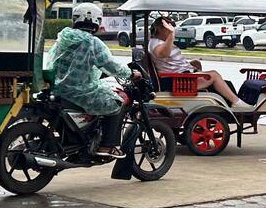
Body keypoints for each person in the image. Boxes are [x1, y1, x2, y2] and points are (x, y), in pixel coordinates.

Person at [49, 17, 133, 154]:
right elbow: (110, 65)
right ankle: (106, 146)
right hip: (78, 91)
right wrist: (130, 74)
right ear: (95, 22)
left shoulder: (63, 38)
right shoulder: (92, 42)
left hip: (58, 89)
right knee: (117, 102)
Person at [148, 17, 240, 105]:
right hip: (177, 81)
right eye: (169, 26)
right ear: (160, 29)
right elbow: (163, 53)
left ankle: (230, 99)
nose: (172, 28)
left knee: (197, 63)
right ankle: (236, 102)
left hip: (180, 76)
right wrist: (171, 35)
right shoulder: (156, 43)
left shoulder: (159, 41)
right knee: (214, 75)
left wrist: (192, 67)